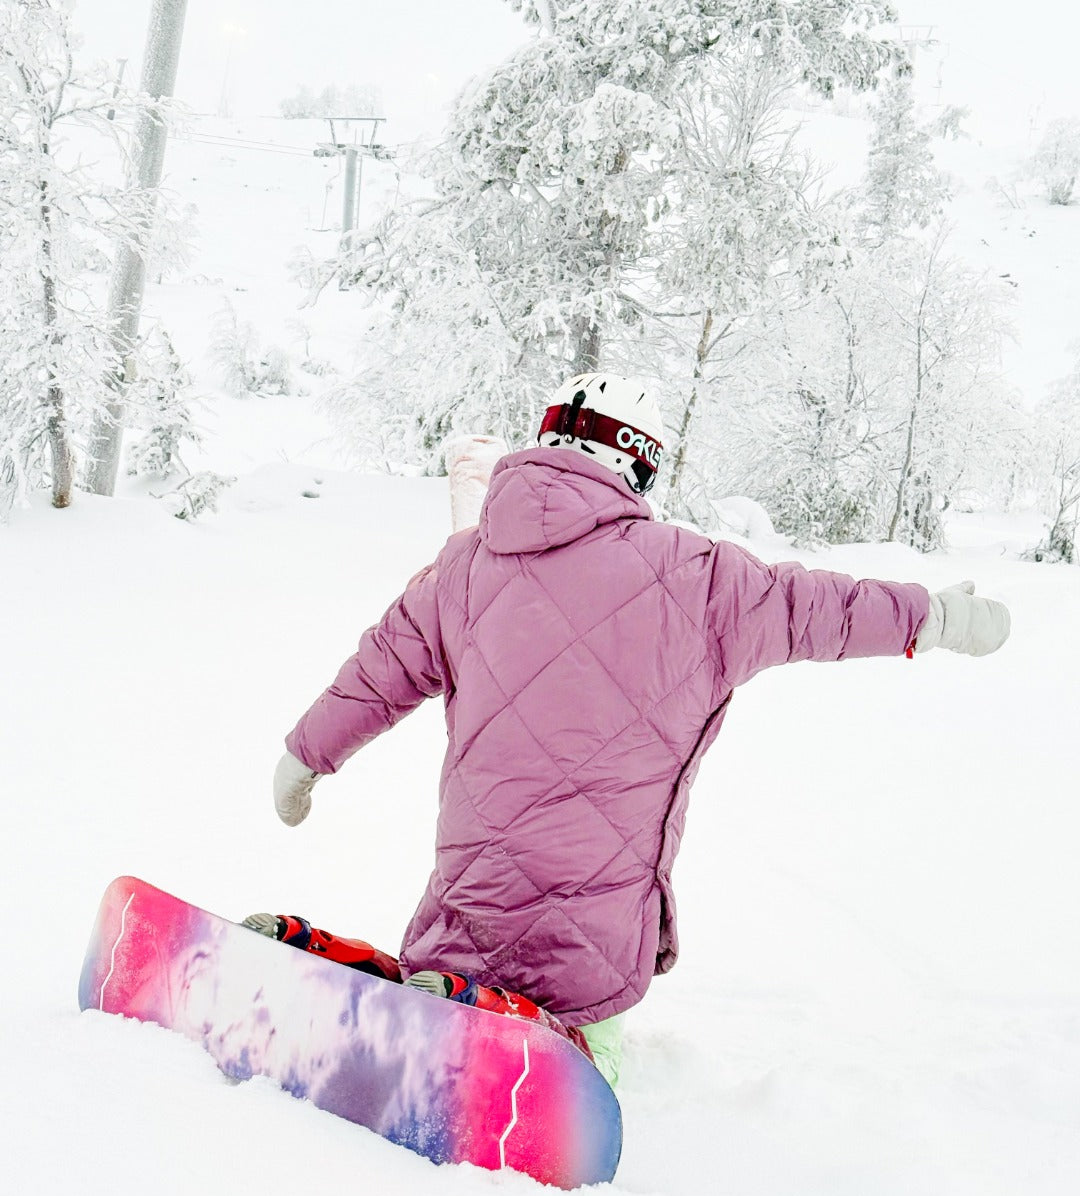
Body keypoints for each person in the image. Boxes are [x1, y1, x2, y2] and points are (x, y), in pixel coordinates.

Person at [246, 372, 1011, 1087]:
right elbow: (822, 607)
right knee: (582, 1058)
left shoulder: (463, 567)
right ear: (638, 467)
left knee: (459, 968)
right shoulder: (702, 577)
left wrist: (304, 756)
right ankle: (548, 1062)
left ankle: (403, 995)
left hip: (467, 897)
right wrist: (932, 617)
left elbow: (377, 671)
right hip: (595, 928)